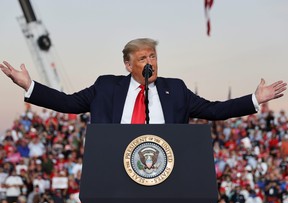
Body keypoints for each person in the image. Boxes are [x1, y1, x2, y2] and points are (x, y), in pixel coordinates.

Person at [0, 38, 287, 124]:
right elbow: (68, 103)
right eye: (142, 59)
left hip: (165, 170)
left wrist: (254, 99)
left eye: (153, 56)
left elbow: (214, 110)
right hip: (115, 167)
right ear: (127, 64)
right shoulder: (106, 86)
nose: (150, 62)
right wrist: (29, 85)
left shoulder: (174, 89)